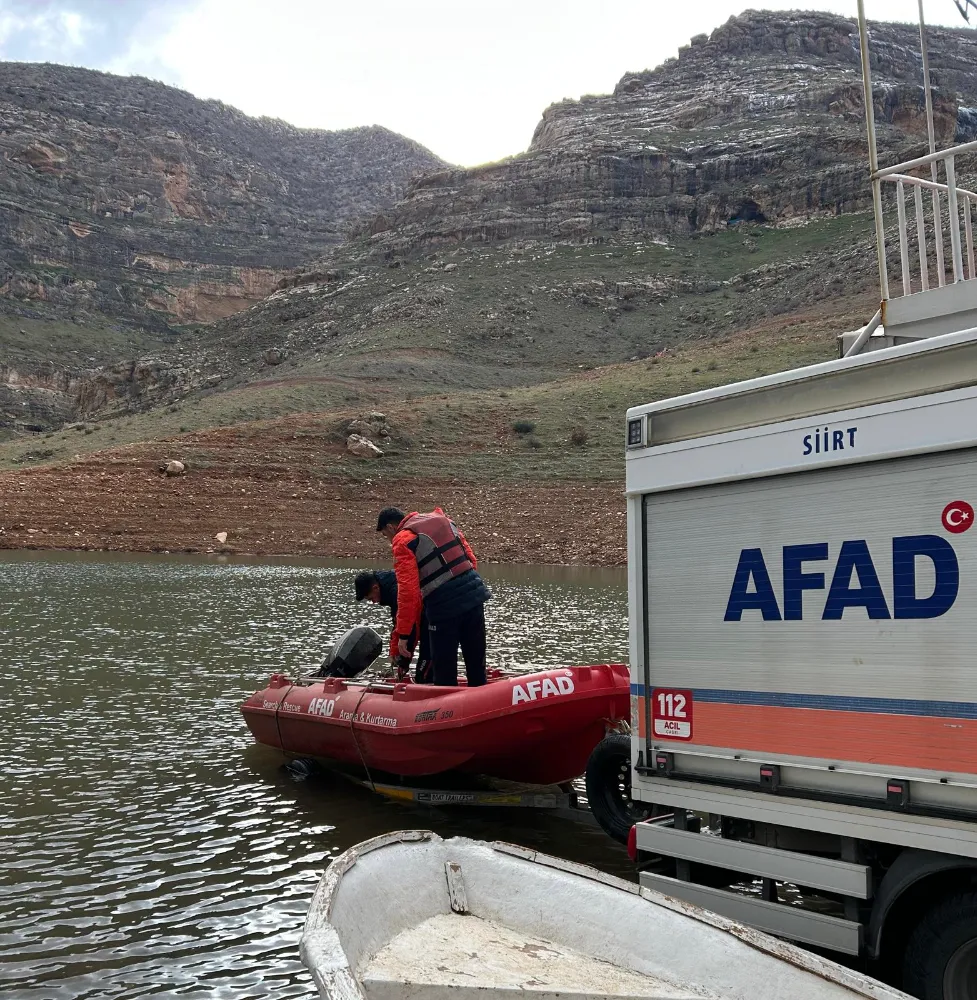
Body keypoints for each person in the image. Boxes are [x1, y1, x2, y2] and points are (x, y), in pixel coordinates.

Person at [376, 506, 491, 687]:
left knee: (444, 674)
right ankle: (482, 697)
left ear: (391, 527)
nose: (389, 540)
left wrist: (403, 635)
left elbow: (408, 593)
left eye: (385, 535)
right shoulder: (444, 521)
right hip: (475, 596)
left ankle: (445, 702)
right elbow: (471, 559)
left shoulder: (402, 540)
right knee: (477, 666)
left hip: (442, 607)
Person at [354, 568, 432, 682]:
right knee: (424, 672)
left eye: (371, 598)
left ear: (375, 588)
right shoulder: (390, 588)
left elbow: (411, 629)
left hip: (434, 622)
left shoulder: (397, 591)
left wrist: (403, 662)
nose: (374, 602)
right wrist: (394, 653)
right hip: (427, 623)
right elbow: (398, 626)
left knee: (423, 676)